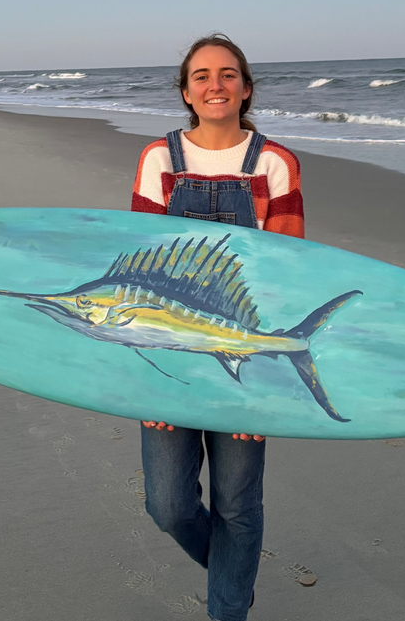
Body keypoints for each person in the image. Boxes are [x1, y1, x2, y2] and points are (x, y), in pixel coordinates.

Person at [130, 34, 305, 621]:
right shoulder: (159, 159)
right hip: (169, 352)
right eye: (201, 76)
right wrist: (149, 380)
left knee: (236, 505)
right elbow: (140, 272)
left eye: (228, 74)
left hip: (242, 359)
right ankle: (235, 574)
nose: (215, 85)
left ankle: (228, 609)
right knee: (169, 505)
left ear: (246, 88)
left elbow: (286, 275)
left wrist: (265, 389)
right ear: (185, 91)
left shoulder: (275, 162)